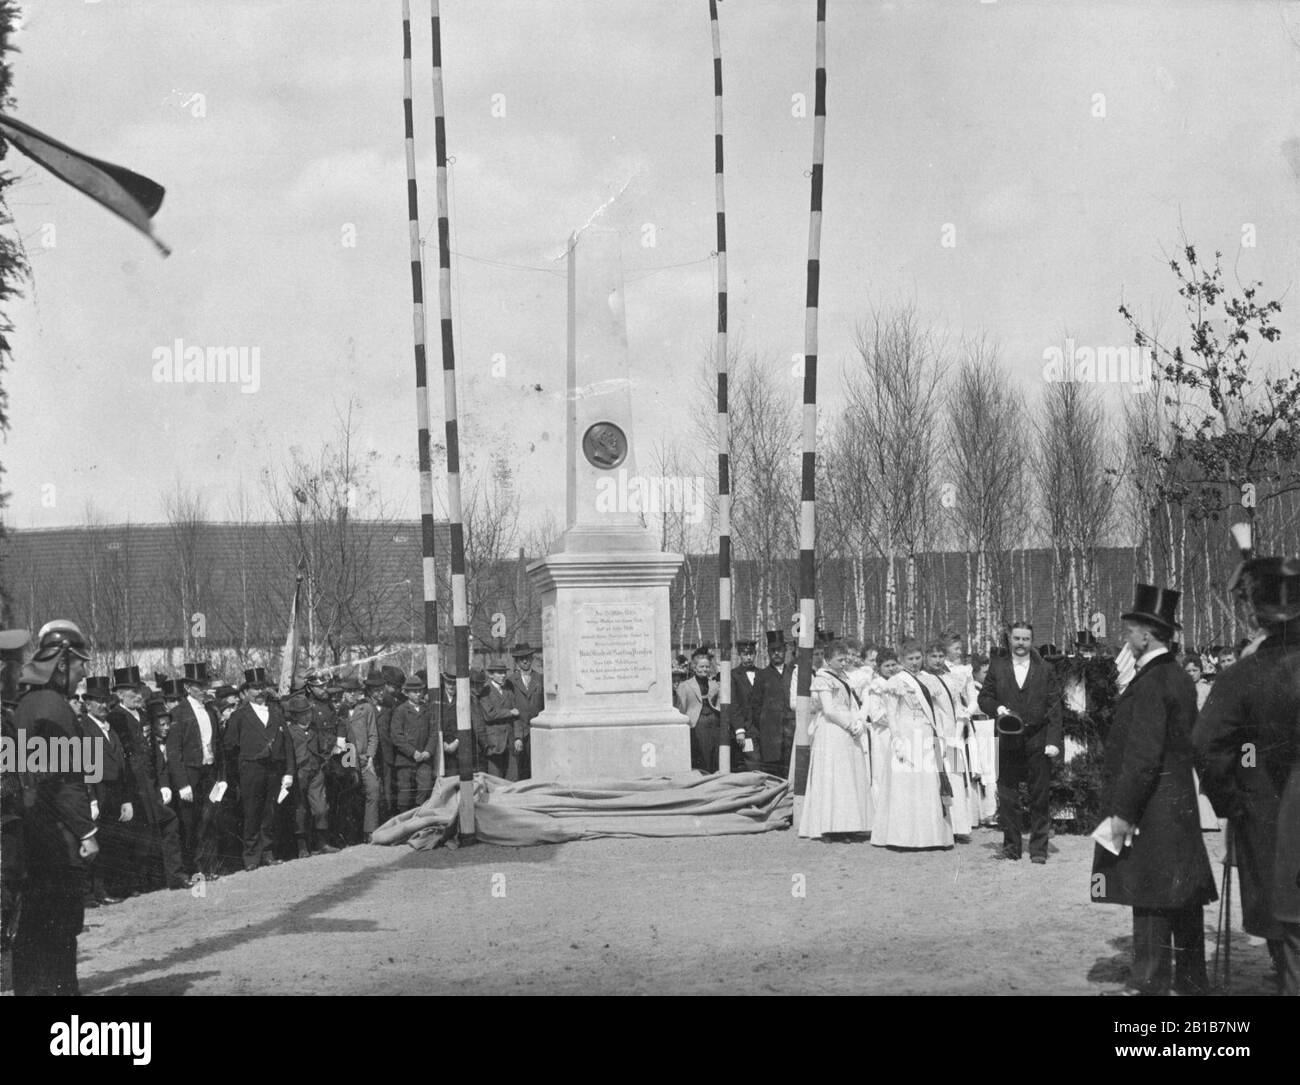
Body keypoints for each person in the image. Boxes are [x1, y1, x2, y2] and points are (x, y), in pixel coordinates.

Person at [1091, 584, 1217, 996]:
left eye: (1130, 631)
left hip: (1150, 807)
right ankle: (1192, 980)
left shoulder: (1150, 683)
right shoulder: (1178, 677)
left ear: (1146, 634)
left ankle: (1150, 981)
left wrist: (1123, 812)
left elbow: (1143, 756)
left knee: (1150, 895)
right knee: (1182, 896)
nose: (1126, 638)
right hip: (1178, 805)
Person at [1194, 548, 1300, 994]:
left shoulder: (1242, 676)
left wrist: (1229, 800)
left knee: (1286, 917)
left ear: (1257, 615)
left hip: (1271, 817)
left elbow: (1205, 743)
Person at [11, 620, 99, 997]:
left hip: (31, 834)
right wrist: (87, 832)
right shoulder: (53, 707)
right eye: (80, 664)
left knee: (33, 928)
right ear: (62, 662)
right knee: (61, 926)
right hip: (56, 837)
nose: (84, 674)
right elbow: (64, 783)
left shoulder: (27, 704)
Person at [977, 621, 1062, 864]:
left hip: (1038, 738)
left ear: (1031, 641)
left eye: (1025, 639)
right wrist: (999, 708)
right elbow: (984, 698)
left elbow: (1055, 708)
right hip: (1008, 739)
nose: (1021, 644)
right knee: (1008, 796)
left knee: (1039, 795)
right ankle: (1012, 848)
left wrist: (1053, 740)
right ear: (1010, 639)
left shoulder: (1045, 669)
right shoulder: (998, 667)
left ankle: (1038, 850)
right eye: (1017, 639)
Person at [868, 641, 953, 850]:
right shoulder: (896, 682)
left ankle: (932, 837)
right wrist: (896, 739)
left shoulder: (930, 680)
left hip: (925, 734)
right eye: (910, 659)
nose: (915, 663)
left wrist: (944, 734)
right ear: (902, 661)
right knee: (905, 784)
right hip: (905, 735)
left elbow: (943, 710)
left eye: (917, 658)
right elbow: (892, 713)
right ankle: (902, 837)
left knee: (928, 783)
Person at [222, 668, 295, 871]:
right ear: (247, 691)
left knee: (270, 812)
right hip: (251, 770)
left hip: (274, 770)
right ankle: (251, 857)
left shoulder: (276, 713)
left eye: (262, 687)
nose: (260, 691)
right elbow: (229, 747)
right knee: (251, 813)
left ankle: (268, 853)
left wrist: (288, 771)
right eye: (255, 688)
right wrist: (239, 771)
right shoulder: (239, 716)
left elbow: (287, 744)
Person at [799, 641, 872, 840]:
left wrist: (857, 723)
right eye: (839, 659)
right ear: (827, 659)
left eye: (845, 658)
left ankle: (848, 823)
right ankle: (830, 826)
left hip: (846, 728)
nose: (843, 662)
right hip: (832, 729)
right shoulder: (823, 678)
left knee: (847, 776)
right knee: (833, 777)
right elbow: (829, 710)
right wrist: (850, 725)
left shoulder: (843, 677)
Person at [166, 662, 226, 881]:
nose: (203, 689)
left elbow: (217, 745)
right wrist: (182, 783)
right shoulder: (178, 713)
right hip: (191, 776)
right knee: (190, 824)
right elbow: (174, 752)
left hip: (209, 774)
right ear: (188, 688)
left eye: (205, 684)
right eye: (198, 686)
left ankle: (209, 867)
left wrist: (221, 777)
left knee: (210, 820)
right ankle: (194, 868)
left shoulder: (210, 711)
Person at [80, 675, 136, 904]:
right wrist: (91, 798)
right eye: (98, 701)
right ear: (88, 703)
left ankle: (110, 887)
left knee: (112, 840)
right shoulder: (83, 727)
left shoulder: (110, 729)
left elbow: (120, 765)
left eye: (106, 701)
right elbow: (84, 765)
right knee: (96, 840)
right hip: (97, 789)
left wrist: (125, 799)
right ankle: (94, 892)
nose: (103, 705)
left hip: (113, 790)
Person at [282, 693, 336, 857]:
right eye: (302, 713)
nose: (307, 716)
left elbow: (323, 747)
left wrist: (324, 759)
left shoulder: (314, 729)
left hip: (315, 772)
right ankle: (302, 847)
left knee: (320, 808)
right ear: (294, 715)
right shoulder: (289, 731)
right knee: (300, 810)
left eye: (308, 712)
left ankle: (322, 843)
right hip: (298, 774)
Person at [341, 676, 381, 842]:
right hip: (347, 758)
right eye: (347, 691)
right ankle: (350, 834)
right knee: (350, 796)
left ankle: (370, 830)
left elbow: (373, 734)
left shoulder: (366, 708)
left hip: (365, 759)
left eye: (354, 691)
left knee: (373, 790)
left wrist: (370, 756)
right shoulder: (339, 710)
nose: (351, 694)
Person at [752, 631, 796, 778]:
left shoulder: (793, 673)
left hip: (791, 731)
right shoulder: (762, 676)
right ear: (768, 652)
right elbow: (755, 706)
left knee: (791, 768)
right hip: (770, 734)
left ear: (785, 651)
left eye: (780, 650)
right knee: (772, 773)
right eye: (773, 650)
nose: (776, 653)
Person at [391, 676, 437, 809]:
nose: (418, 694)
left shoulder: (427, 709)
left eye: (420, 691)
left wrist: (428, 751)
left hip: (424, 758)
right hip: (405, 759)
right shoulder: (400, 711)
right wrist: (412, 752)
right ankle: (402, 818)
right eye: (414, 691)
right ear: (406, 693)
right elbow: (396, 736)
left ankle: (419, 814)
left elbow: (433, 732)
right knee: (404, 791)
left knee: (425, 787)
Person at [676, 647, 722, 773]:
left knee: (716, 754)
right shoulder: (685, 686)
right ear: (694, 667)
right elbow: (681, 709)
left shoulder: (715, 685)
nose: (704, 670)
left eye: (707, 667)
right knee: (702, 756)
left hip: (714, 722)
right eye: (701, 667)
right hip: (697, 724)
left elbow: (718, 703)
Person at [474, 664, 519, 779]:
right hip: (494, 741)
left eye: (504, 672)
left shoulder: (508, 690)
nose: (503, 675)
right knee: (495, 778)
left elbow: (517, 714)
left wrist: (518, 738)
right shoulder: (485, 691)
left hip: (510, 739)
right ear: (491, 675)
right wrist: (509, 712)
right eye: (499, 673)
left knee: (512, 778)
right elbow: (489, 714)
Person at [508, 643, 543, 781]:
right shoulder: (510, 681)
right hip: (520, 732)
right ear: (517, 661)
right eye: (521, 658)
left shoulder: (540, 679)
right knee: (522, 769)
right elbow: (511, 707)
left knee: (539, 766)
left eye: (527, 657)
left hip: (538, 730)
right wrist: (518, 737)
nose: (525, 661)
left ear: (532, 659)